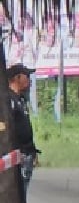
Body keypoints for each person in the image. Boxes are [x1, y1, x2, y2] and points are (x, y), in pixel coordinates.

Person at [6, 64, 39, 193]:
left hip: (27, 153)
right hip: (17, 156)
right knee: (17, 196)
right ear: (17, 78)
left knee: (22, 194)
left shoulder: (20, 99)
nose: (29, 80)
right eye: (27, 76)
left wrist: (32, 149)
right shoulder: (8, 100)